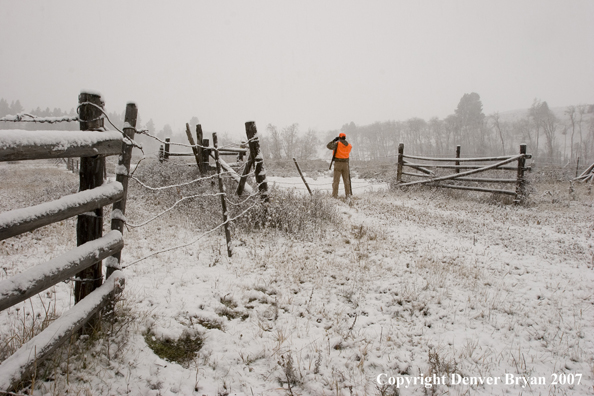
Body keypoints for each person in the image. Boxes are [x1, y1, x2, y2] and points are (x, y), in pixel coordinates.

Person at [327, 132, 352, 198]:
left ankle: (335, 196)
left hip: (338, 163)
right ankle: (348, 195)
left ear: (339, 137)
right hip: (346, 164)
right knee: (346, 180)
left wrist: (334, 140)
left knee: (336, 181)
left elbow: (328, 146)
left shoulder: (337, 144)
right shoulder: (349, 145)